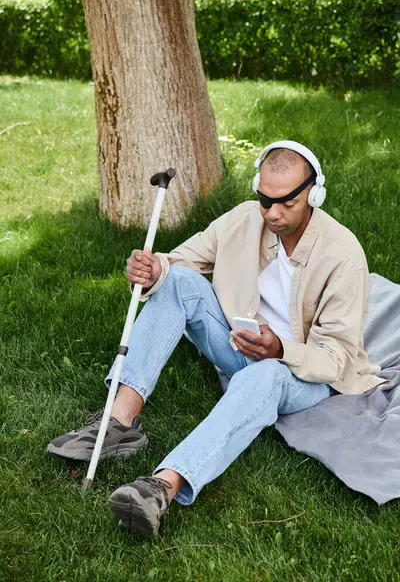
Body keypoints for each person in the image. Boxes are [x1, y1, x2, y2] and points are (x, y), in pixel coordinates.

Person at [48, 140, 386, 538]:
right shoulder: (245, 218)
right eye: (265, 200)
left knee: (266, 376)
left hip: (305, 372)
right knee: (179, 281)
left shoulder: (343, 254)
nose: (272, 214)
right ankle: (119, 423)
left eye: (286, 204)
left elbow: (337, 358)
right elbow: (180, 262)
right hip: (243, 345)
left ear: (314, 194)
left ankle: (161, 488)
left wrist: (280, 349)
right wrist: (153, 270)